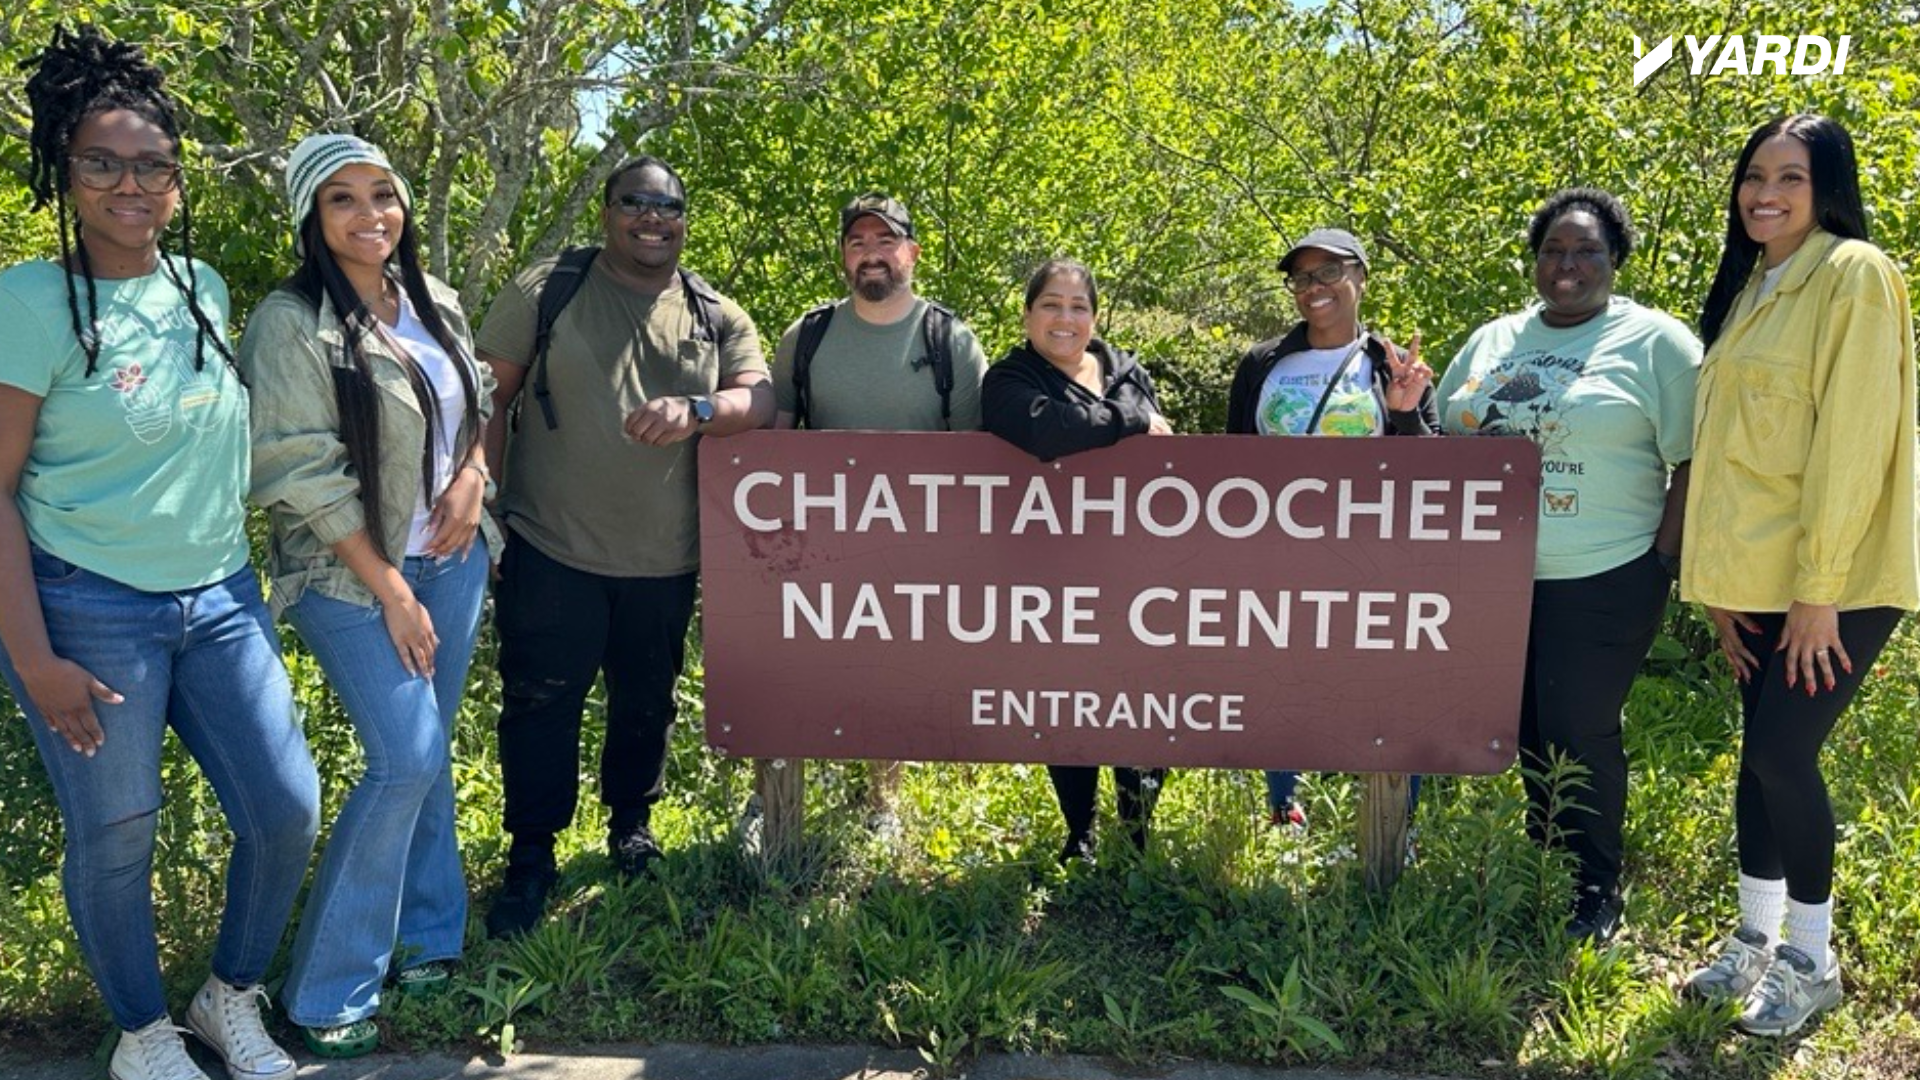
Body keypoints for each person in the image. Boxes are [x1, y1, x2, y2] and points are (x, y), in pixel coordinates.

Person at [0, 24, 318, 1080]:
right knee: (117, 837)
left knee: (284, 809)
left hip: (220, 599)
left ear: (178, 182)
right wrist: (36, 657)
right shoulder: (28, 301)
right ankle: (142, 1036)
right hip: (87, 607)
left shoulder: (204, 288)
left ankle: (227, 996)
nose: (130, 183)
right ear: (64, 167)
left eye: (153, 166)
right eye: (103, 161)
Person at [241, 134, 498, 1056]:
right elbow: (297, 468)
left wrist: (473, 477)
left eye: (382, 195)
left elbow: (479, 406)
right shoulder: (290, 321)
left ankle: (426, 941)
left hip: (453, 561)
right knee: (406, 755)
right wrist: (390, 585)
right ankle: (325, 992)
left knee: (427, 755)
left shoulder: (434, 302)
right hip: (349, 577)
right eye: (342, 199)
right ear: (312, 218)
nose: (369, 215)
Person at [477, 156, 772, 938]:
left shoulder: (714, 313)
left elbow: (762, 400)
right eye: (635, 202)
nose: (653, 217)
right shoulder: (549, 291)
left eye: (669, 206)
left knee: (647, 705)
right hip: (548, 546)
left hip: (666, 560)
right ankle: (531, 857)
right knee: (540, 705)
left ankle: (630, 832)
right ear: (607, 212)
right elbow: (489, 399)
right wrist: (487, 509)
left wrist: (700, 407)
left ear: (684, 220)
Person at [1679, 114, 1916, 1036]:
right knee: (1757, 758)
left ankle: (1813, 960)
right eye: (1752, 176)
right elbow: (1735, 455)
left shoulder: (1855, 276)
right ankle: (1755, 939)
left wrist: (1818, 592)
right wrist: (1722, 590)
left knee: (1784, 754)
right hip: (1762, 578)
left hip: (1841, 579)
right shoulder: (1751, 288)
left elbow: (1854, 445)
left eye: (1790, 178)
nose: (1762, 193)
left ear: (1828, 189)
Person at [1435, 188, 1700, 943]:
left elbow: (1694, 460)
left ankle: (1595, 888)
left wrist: (1663, 562)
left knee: (1579, 726)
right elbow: (1444, 431)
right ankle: (1544, 864)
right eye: (1554, 250)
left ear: (1616, 258)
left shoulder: (1657, 344)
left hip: (1608, 571)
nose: (1568, 265)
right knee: (1522, 724)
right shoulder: (1493, 340)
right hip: (1494, 573)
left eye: (1586, 250)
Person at [758, 192, 989, 835]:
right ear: (843, 259)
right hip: (817, 543)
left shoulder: (952, 341)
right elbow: (773, 444)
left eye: (885, 242)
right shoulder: (807, 336)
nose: (871, 255)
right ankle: (775, 807)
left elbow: (977, 459)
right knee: (792, 667)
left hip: (916, 546)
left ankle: (882, 804)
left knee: (892, 676)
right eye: (858, 243)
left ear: (912, 253)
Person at [1224, 227, 1435, 833]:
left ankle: (1393, 826)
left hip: (1373, 562)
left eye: (1329, 272)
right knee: (1282, 686)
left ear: (1361, 279)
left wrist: (1403, 413)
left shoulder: (1391, 365)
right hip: (1279, 558)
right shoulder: (1264, 363)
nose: (1314, 288)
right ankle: (1282, 810)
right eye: (1302, 277)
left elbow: (1431, 471)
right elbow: (1232, 467)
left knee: (1389, 690)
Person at [982, 258, 1172, 862]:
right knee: (1069, 698)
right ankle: (1081, 832)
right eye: (1051, 305)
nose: (1065, 318)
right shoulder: (1009, 378)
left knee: (1142, 697)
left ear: (1094, 316)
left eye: (1079, 307)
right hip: (1051, 569)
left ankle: (1137, 830)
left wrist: (1127, 417)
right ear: (1028, 314)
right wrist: (1136, 421)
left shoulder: (1127, 371)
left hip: (1139, 568)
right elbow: (1050, 433)